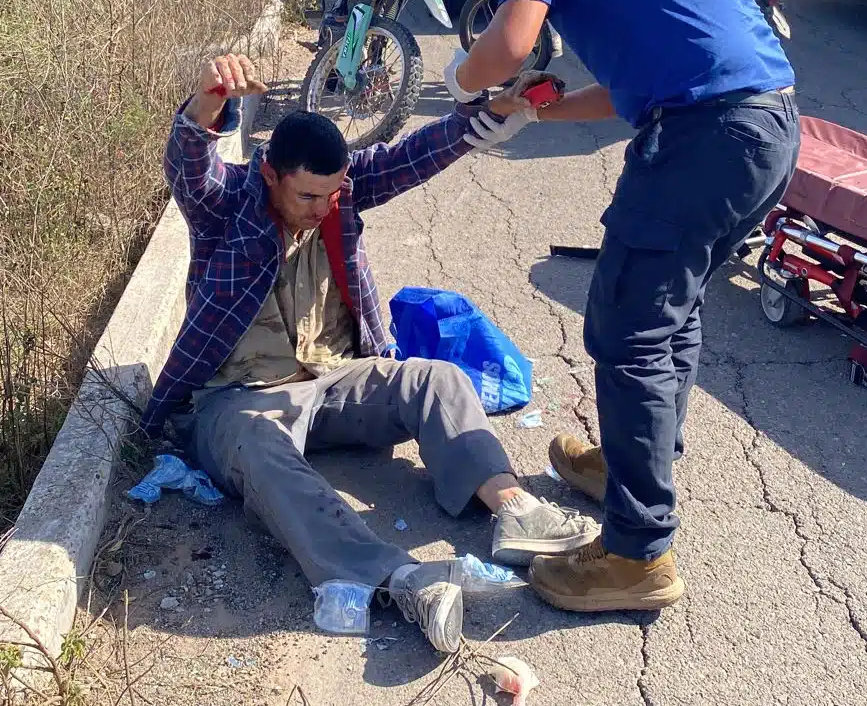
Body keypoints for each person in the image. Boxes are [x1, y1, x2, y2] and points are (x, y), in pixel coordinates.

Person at [141, 53, 598, 653]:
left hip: (331, 378)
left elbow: (408, 156)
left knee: (435, 378)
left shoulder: (340, 196)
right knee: (261, 450)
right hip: (239, 400)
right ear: (271, 175)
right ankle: (396, 578)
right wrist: (208, 103)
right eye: (308, 195)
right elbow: (190, 167)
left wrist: (487, 115)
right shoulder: (227, 206)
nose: (323, 208)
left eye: (331, 194)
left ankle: (512, 509)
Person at [443, 0, 800, 615]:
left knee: (628, 323)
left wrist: (463, 80)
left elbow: (506, 43)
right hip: (765, 127)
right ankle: (635, 464)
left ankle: (639, 556)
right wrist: (535, 107)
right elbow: (626, 90)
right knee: (670, 314)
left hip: (705, 137)